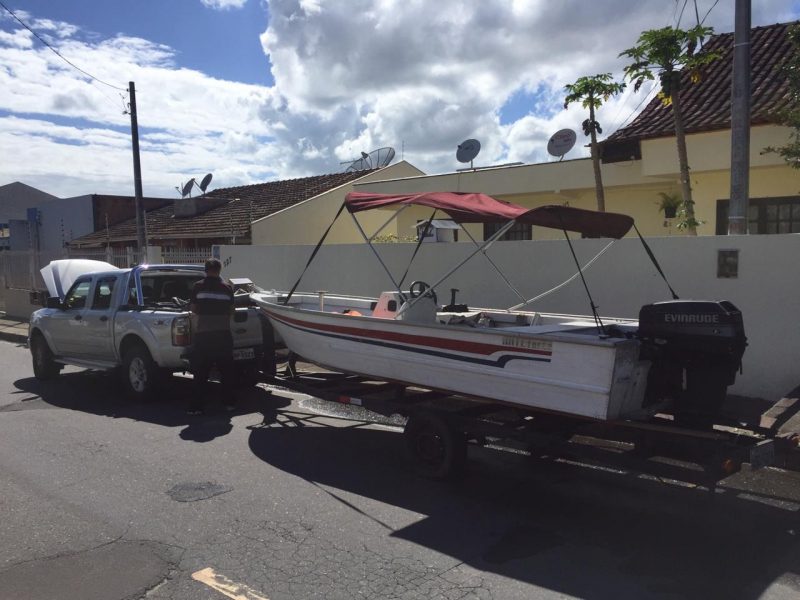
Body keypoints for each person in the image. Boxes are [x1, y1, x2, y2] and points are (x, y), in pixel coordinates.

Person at [187, 258, 236, 415]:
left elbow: (194, 309)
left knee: (200, 373)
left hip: (204, 335)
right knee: (227, 373)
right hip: (223, 334)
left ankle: (197, 407)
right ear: (220, 270)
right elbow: (231, 311)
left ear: (205, 270)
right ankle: (228, 404)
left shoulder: (198, 287)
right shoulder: (227, 288)